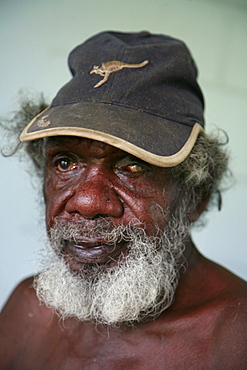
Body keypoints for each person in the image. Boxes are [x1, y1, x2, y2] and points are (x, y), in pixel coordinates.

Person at [0, 31, 246, 369]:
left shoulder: (236, 338)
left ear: (195, 195)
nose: (86, 202)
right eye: (66, 163)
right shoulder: (28, 309)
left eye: (133, 166)